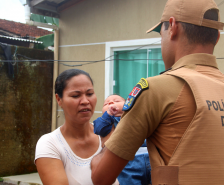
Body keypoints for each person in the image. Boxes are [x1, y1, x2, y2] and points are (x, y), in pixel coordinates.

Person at [91, 0, 224, 184]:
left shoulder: (156, 90)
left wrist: (114, 133)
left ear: (172, 26)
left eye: (161, 33)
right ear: (217, 37)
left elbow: (100, 176)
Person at [34, 69, 119, 185]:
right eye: (75, 95)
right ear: (59, 99)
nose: (85, 101)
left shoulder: (108, 132)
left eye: (89, 94)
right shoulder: (50, 144)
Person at [93, 94, 151, 185]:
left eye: (117, 101)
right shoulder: (107, 122)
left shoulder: (137, 117)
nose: (111, 103)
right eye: (106, 104)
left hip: (150, 157)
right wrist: (108, 115)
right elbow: (98, 129)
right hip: (126, 163)